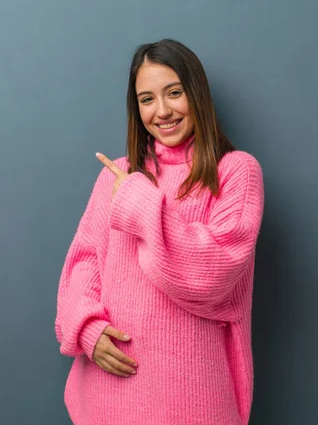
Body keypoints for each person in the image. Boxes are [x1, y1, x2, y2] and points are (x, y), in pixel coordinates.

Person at [54, 38, 264, 425]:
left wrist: (140, 202)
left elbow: (212, 275)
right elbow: (84, 264)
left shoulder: (236, 172)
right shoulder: (118, 174)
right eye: (147, 99)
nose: (162, 111)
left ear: (196, 94)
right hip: (109, 392)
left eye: (174, 93)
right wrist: (88, 328)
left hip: (193, 394)